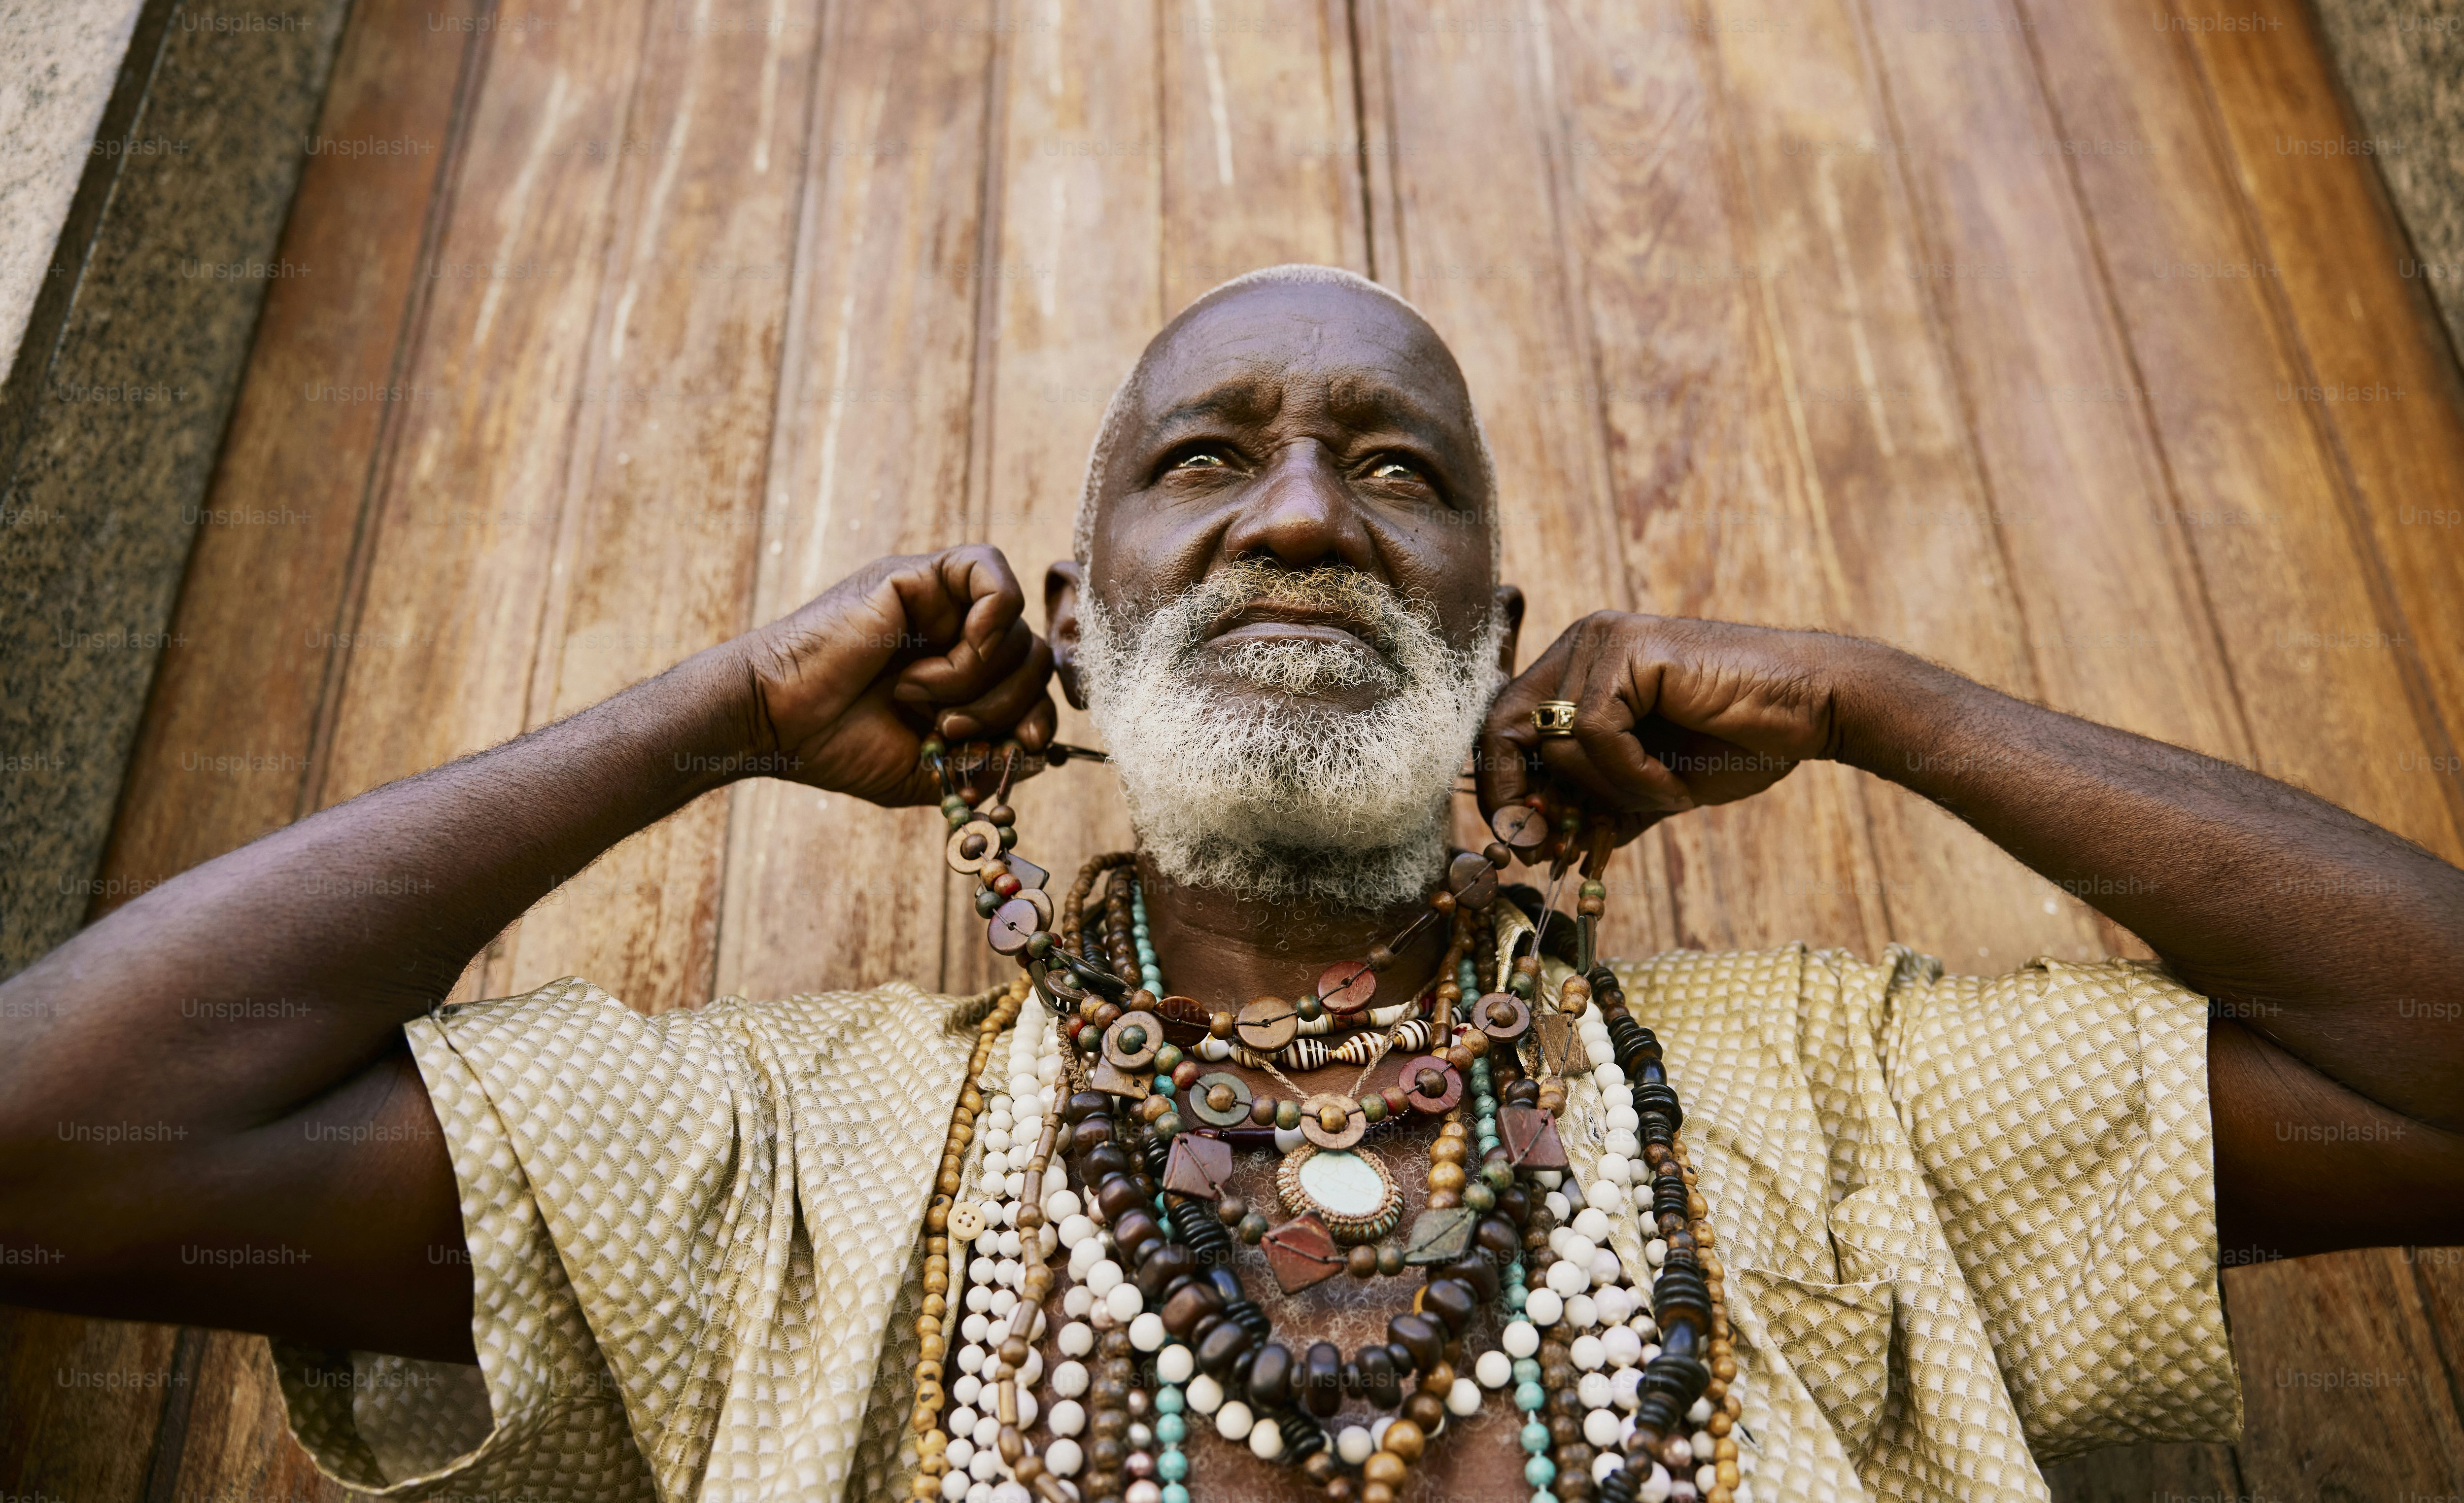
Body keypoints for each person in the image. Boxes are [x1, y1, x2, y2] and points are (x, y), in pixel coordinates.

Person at [1, 265, 2458, 1503]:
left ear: (1494, 641)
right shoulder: (800, 1157)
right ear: (1076, 629)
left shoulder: (1825, 1102)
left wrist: (1876, 701)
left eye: (1395, 473)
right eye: (1208, 460)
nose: (1301, 516)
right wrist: (712, 717)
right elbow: (60, 1152)